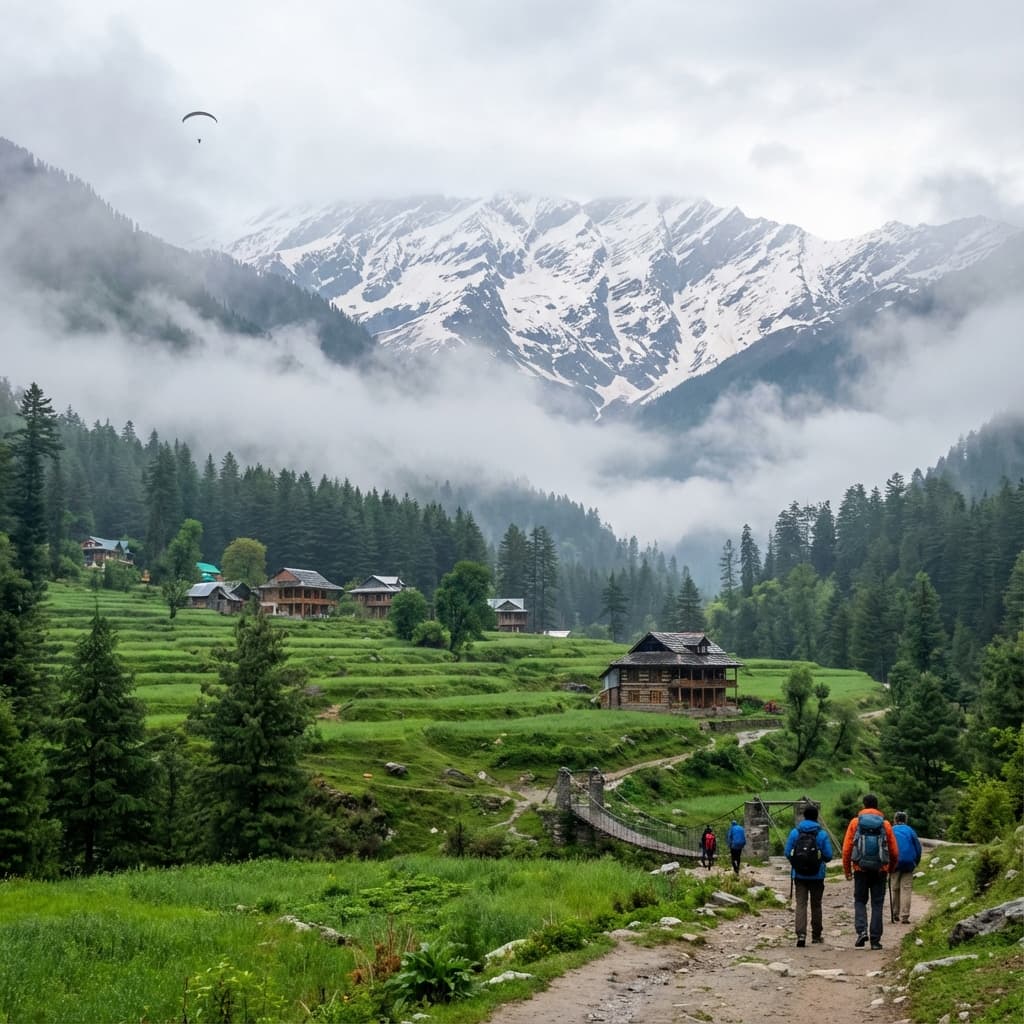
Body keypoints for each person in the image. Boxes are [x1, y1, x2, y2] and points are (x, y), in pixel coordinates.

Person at [842, 793, 899, 950]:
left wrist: (847, 870)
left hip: (860, 869)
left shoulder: (855, 822)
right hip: (880, 870)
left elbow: (847, 849)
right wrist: (891, 868)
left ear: (864, 805)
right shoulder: (885, 824)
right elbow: (893, 851)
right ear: (877, 806)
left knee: (860, 901)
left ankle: (861, 931)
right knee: (877, 904)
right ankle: (875, 940)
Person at [784, 804, 833, 946]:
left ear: (804, 816)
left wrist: (797, 863)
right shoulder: (821, 834)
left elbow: (787, 853)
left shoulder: (795, 832)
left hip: (799, 875)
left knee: (801, 904)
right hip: (817, 875)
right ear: (816, 816)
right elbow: (829, 856)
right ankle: (816, 936)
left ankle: (801, 935)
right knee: (816, 905)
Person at [890, 810, 923, 924]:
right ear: (905, 820)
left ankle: (894, 913)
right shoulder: (910, 831)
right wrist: (916, 862)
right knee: (906, 888)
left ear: (895, 820)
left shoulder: (891, 830)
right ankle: (905, 916)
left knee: (895, 888)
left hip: (895, 863)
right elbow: (918, 848)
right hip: (909, 863)